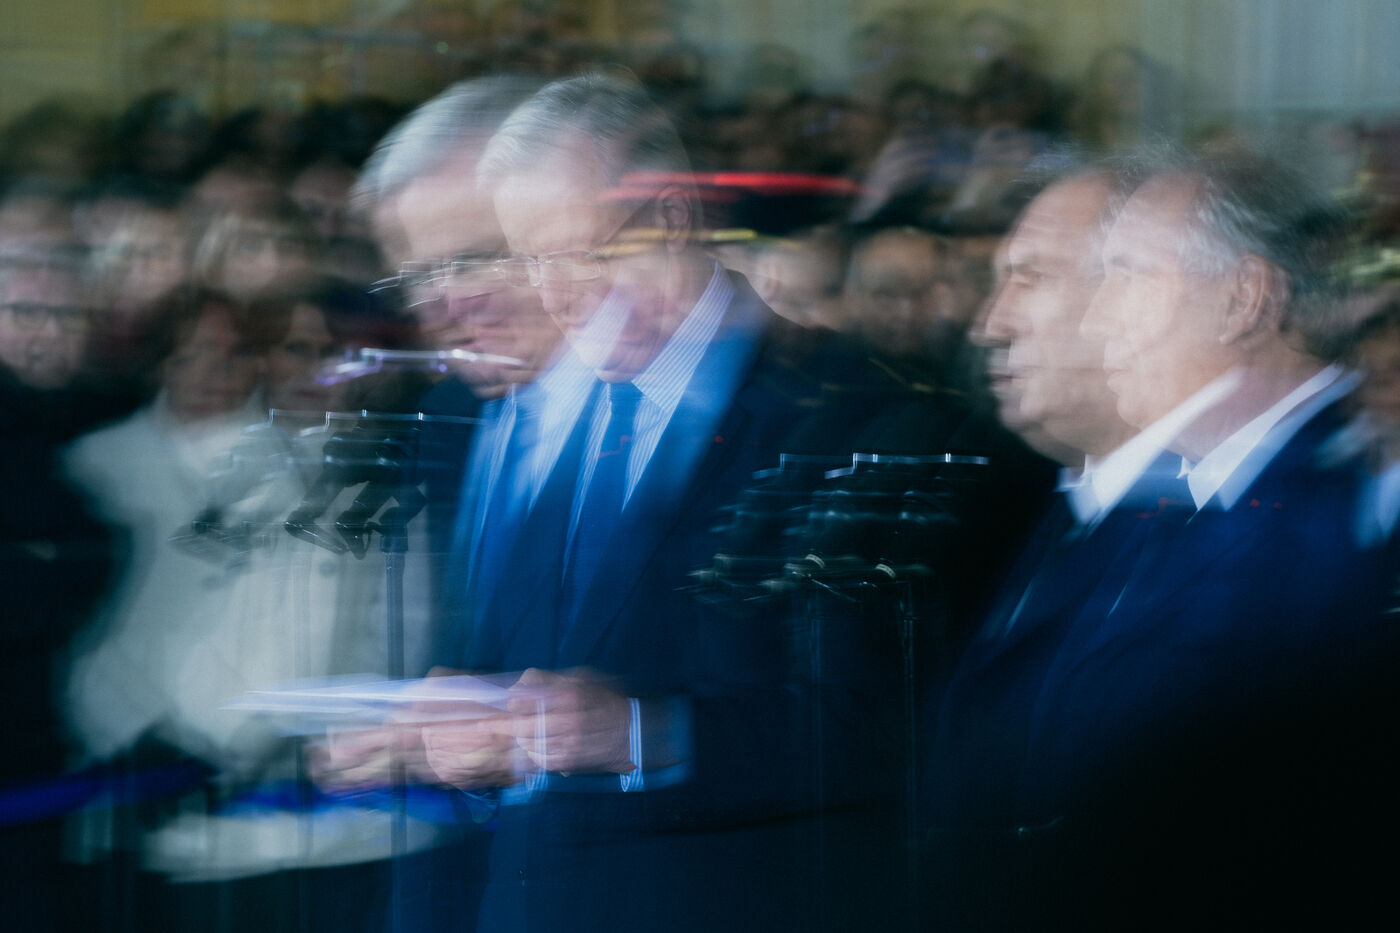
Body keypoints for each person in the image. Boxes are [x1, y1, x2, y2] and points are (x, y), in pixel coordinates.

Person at [418, 72, 963, 932]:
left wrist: (642, 733)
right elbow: (529, 679)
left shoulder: (861, 411)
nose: (556, 295)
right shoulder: (545, 414)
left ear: (672, 216)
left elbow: (887, 723)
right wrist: (463, 728)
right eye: (530, 261)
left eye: (580, 253)